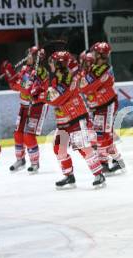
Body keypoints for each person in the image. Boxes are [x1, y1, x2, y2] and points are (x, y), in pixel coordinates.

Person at [31, 51, 106, 188]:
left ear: (58, 63)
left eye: (53, 62)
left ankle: (98, 174)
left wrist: (39, 96)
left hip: (76, 118)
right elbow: (48, 91)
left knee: (84, 147)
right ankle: (69, 176)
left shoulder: (66, 77)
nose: (50, 65)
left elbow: (57, 97)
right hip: (63, 120)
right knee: (59, 148)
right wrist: (36, 87)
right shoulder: (56, 77)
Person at [0, 46, 49, 173]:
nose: (27, 57)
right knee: (18, 133)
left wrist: (16, 81)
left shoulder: (42, 73)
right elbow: (15, 86)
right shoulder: (25, 69)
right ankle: (20, 160)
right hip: (24, 105)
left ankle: (35, 163)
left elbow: (28, 89)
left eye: (30, 55)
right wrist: (10, 75)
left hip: (36, 106)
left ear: (37, 58)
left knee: (28, 135)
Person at [79, 42, 125, 176]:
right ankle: (116, 161)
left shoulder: (102, 68)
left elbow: (85, 86)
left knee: (103, 135)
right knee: (103, 135)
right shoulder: (95, 67)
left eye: (94, 52)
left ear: (99, 54)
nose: (92, 55)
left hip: (107, 105)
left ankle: (106, 162)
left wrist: (83, 73)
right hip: (98, 106)